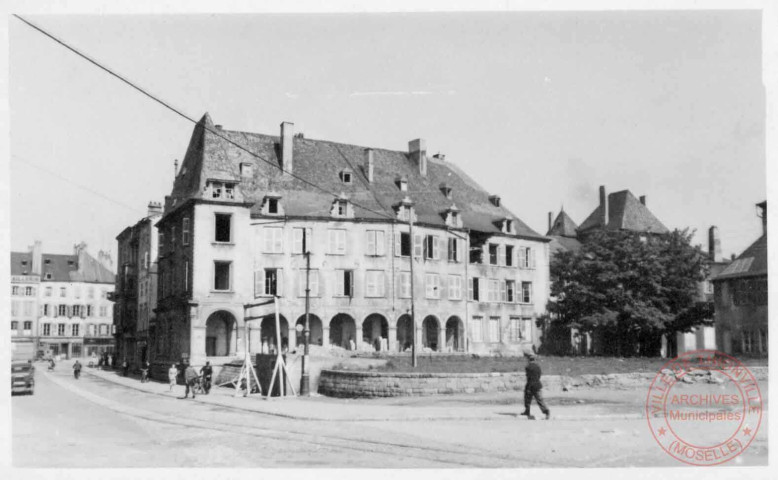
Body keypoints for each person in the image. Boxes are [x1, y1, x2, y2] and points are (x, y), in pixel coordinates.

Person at [521, 354, 550, 420]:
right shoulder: (538, 367)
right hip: (537, 384)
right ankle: (546, 411)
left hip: (531, 385)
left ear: (528, 360)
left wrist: (528, 387)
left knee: (527, 399)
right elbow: (539, 375)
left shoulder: (528, 367)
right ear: (534, 360)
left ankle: (527, 411)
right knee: (540, 400)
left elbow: (529, 377)